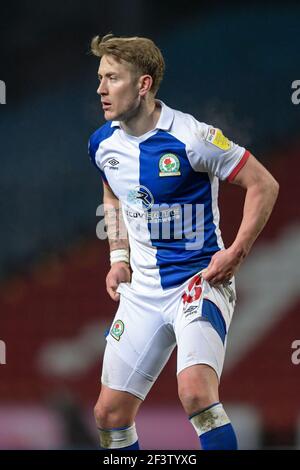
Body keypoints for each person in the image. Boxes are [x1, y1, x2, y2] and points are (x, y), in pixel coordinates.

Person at [88, 33, 279, 450]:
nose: (100, 89)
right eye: (100, 77)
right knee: (109, 415)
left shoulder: (194, 137)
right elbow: (112, 191)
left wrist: (236, 252)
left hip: (198, 282)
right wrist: (118, 255)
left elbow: (263, 184)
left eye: (112, 78)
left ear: (143, 84)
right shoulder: (103, 144)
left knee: (195, 392)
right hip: (142, 291)